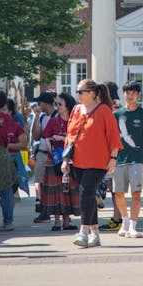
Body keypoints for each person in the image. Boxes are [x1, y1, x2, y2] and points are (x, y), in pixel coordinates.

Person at [62, 79, 122, 248]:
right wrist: (65, 160)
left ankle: (83, 231)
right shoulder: (76, 110)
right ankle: (95, 233)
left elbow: (113, 136)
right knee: (88, 196)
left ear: (92, 93)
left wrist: (113, 158)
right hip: (78, 160)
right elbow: (70, 135)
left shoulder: (104, 111)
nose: (77, 95)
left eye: (80, 92)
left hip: (98, 161)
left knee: (86, 192)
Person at [112, 80, 143, 238]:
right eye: (128, 93)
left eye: (133, 93)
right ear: (124, 94)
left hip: (138, 158)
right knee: (118, 193)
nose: (130, 96)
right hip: (120, 159)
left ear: (138, 95)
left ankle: (134, 226)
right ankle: (125, 221)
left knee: (136, 193)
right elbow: (112, 140)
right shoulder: (116, 115)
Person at [0, 89, 26, 232]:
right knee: (7, 189)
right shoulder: (9, 119)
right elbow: (19, 139)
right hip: (5, 153)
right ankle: (8, 221)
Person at [41, 93, 80, 230]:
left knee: (68, 190)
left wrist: (62, 139)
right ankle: (57, 221)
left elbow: (78, 139)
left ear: (68, 105)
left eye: (59, 104)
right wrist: (51, 150)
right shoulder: (53, 120)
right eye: (56, 104)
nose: (57, 107)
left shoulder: (75, 120)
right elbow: (46, 137)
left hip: (71, 158)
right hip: (55, 159)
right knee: (56, 190)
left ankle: (67, 221)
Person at [30, 92, 56, 223]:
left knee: (53, 184)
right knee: (39, 181)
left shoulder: (56, 116)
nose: (38, 106)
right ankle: (43, 208)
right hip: (41, 152)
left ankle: (52, 209)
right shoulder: (42, 117)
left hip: (53, 154)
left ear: (45, 103)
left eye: (39, 103)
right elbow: (36, 136)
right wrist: (36, 117)